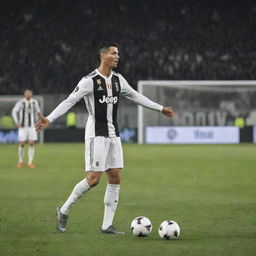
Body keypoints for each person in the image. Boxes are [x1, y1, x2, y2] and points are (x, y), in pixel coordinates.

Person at [35, 42, 176, 234]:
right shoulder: (90, 80)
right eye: (113, 53)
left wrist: (160, 108)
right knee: (93, 179)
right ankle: (64, 209)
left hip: (113, 134)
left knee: (115, 176)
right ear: (103, 56)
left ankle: (106, 225)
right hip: (96, 134)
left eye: (118, 53)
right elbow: (70, 100)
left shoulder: (118, 79)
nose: (117, 56)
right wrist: (49, 119)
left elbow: (136, 96)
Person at [12, 89, 41, 168]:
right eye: (26, 93)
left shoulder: (34, 102)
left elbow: (38, 112)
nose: (28, 94)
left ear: (31, 94)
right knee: (21, 143)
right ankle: (20, 161)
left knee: (31, 143)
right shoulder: (21, 102)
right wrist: (17, 122)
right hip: (23, 127)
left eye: (29, 93)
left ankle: (30, 162)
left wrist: (39, 121)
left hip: (32, 126)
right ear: (24, 94)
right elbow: (14, 111)